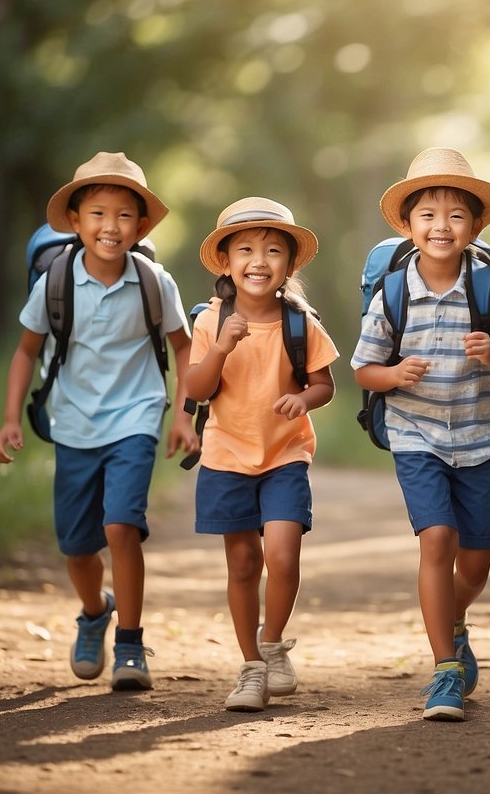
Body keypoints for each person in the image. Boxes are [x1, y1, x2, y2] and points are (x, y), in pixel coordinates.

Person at [0, 151, 198, 692]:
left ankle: (130, 642)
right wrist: (10, 418)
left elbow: (185, 349)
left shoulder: (154, 281)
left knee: (121, 526)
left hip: (135, 418)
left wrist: (183, 416)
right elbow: (24, 351)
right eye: (98, 214)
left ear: (142, 225)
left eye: (125, 215)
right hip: (72, 425)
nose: (111, 226)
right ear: (76, 222)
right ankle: (95, 612)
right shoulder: (55, 282)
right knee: (78, 548)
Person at [352, 148, 490, 721]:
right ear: (407, 226)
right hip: (416, 433)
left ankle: (453, 620)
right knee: (437, 540)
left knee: (476, 562)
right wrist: (394, 374)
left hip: (478, 437)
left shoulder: (488, 290)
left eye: (456, 215)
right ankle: (445, 671)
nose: (441, 226)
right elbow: (363, 369)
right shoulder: (393, 293)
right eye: (428, 215)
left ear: (475, 226)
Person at [185, 196, 339, 713]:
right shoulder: (210, 321)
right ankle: (251, 666)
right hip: (227, 455)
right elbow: (198, 387)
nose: (259, 260)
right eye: (246, 249)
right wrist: (223, 346)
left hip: (285, 454)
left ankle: (272, 644)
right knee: (244, 562)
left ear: (288, 265)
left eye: (273, 250)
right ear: (227, 262)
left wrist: (303, 397)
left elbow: (324, 385)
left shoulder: (300, 323)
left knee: (282, 554)